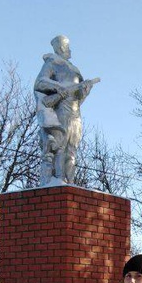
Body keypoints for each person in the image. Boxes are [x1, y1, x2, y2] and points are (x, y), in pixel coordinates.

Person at [33, 35, 98, 186]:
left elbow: (78, 98)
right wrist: (58, 87)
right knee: (59, 148)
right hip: (60, 111)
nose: (69, 50)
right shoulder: (52, 63)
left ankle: (70, 182)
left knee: (72, 150)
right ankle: (58, 181)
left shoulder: (74, 70)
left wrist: (85, 91)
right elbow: (40, 82)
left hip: (75, 114)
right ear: (61, 48)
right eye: (67, 47)